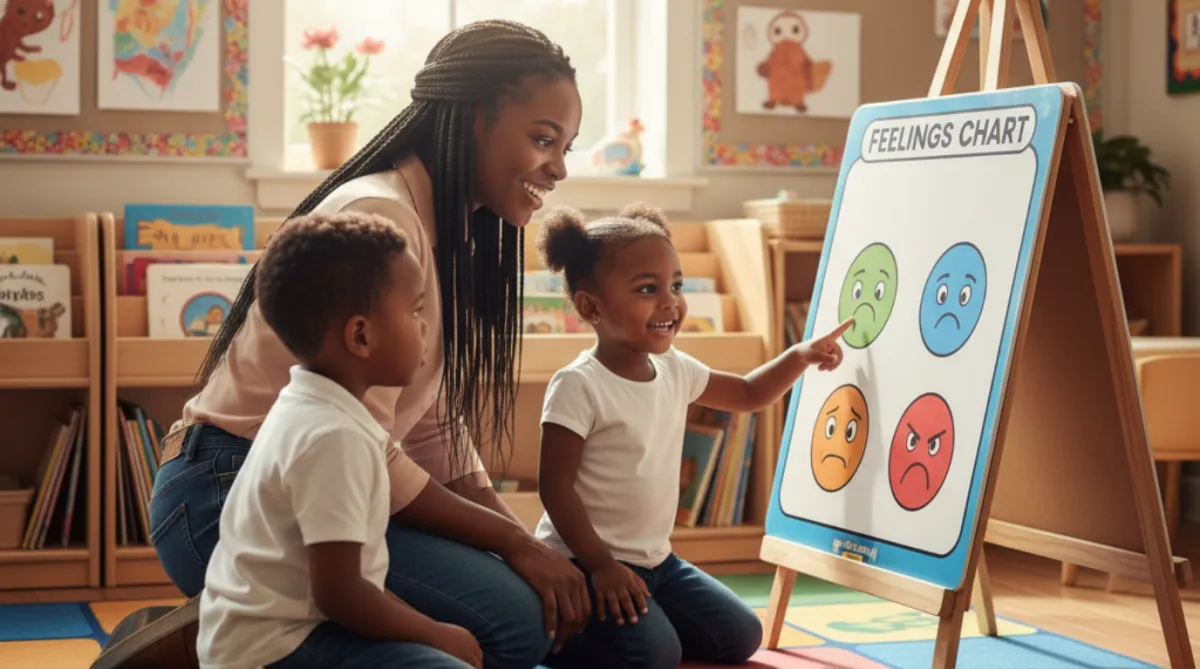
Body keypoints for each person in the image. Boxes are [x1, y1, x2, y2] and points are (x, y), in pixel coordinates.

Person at [146, 19, 590, 669]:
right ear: (472, 120)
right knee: (515, 626)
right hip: (221, 493)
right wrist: (511, 544)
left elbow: (434, 430)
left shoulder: (443, 231)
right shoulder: (382, 217)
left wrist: (523, 543)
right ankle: (220, 636)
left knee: (529, 605)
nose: (559, 169)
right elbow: (377, 450)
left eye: (567, 147)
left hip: (330, 492)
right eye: (543, 139)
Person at [533, 204, 854, 669]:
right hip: (585, 563)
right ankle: (561, 630)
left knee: (741, 635)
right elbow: (555, 488)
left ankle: (641, 620)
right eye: (648, 289)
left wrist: (799, 355)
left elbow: (747, 392)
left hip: (658, 563)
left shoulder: (673, 367)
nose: (671, 303)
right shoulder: (578, 384)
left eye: (676, 286)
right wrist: (601, 565)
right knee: (654, 654)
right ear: (590, 306)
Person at [199, 211, 481, 668]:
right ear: (361, 335)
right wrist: (436, 634)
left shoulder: (310, 405)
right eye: (414, 310)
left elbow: (356, 581)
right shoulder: (334, 437)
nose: (425, 326)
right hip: (280, 650)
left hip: (283, 636)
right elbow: (342, 595)